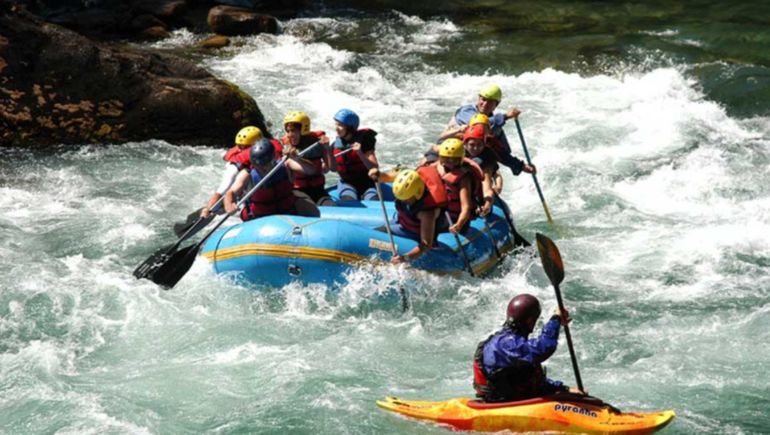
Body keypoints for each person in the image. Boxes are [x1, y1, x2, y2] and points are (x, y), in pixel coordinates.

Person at [473, 293, 584, 403]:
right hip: (503, 403)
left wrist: (563, 389)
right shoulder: (506, 344)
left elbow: (528, 379)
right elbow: (543, 347)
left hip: (517, 398)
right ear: (530, 321)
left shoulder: (511, 342)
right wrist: (556, 319)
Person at [440, 85, 532, 177]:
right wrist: (505, 116)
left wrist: (520, 166)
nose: (485, 104)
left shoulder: (495, 127)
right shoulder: (465, 111)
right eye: (483, 99)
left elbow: (502, 151)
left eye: (490, 102)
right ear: (478, 98)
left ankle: (467, 175)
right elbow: (478, 124)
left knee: (490, 156)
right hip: (446, 152)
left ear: (496, 105)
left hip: (468, 156)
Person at [224, 138, 320, 221]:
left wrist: (297, 158)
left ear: (273, 159)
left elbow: (311, 170)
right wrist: (229, 204)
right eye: (258, 165)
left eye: (265, 164)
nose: (262, 168)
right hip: (261, 218)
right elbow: (231, 192)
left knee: (310, 208)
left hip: (288, 213)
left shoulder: (285, 164)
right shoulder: (247, 174)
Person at [201, 126, 280, 218]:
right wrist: (209, 209)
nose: (242, 151)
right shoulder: (235, 165)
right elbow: (222, 189)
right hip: (240, 191)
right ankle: (212, 209)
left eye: (245, 147)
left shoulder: (270, 153)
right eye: (240, 147)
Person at [384, 167, 448, 264]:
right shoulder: (409, 192)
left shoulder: (426, 212)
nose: (402, 201)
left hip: (414, 233)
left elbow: (426, 244)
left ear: (417, 193)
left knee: (379, 232)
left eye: (406, 199)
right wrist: (377, 174)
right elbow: (386, 177)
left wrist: (405, 258)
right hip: (403, 224)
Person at [431, 138, 489, 233]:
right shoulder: (438, 166)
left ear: (461, 159)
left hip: (455, 218)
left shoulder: (464, 178)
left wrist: (458, 225)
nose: (451, 162)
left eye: (455, 159)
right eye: (446, 158)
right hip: (442, 213)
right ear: (441, 158)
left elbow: (466, 206)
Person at [280, 111, 334, 205]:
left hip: (318, 190)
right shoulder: (286, 147)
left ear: (303, 130)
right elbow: (290, 180)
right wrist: (291, 159)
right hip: (298, 191)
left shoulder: (317, 144)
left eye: (293, 131)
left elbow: (331, 169)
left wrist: (328, 149)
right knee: (308, 206)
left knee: (331, 206)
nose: (289, 135)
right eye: (288, 131)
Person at [331, 108, 381, 201]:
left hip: (366, 182)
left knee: (373, 199)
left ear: (350, 128)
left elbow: (374, 167)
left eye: (340, 125)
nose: (336, 128)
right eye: (336, 124)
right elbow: (328, 168)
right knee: (348, 199)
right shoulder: (334, 146)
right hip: (347, 182)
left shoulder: (365, 141)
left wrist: (360, 153)